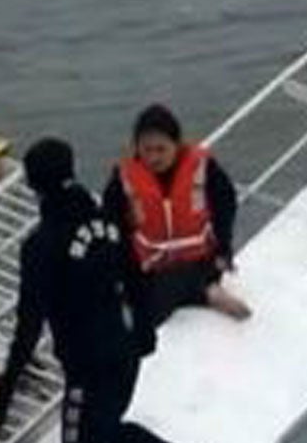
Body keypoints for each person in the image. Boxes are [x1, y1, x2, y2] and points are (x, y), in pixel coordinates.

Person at [0, 137, 224, 443]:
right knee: (107, 429)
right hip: (127, 349)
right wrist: (145, 332)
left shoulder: (41, 247)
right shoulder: (109, 220)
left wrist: (4, 392)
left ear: (32, 185)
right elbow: (139, 277)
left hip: (89, 366)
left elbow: (29, 326)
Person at [103, 103, 251, 327]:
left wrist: (224, 247)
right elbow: (111, 223)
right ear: (136, 148)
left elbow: (225, 204)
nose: (154, 157)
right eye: (147, 150)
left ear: (177, 144)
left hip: (200, 260)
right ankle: (205, 294)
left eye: (161, 149)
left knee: (149, 308)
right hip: (152, 265)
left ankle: (202, 290)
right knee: (144, 291)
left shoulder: (203, 167)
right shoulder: (123, 177)